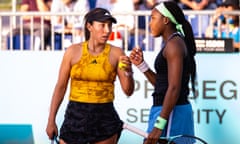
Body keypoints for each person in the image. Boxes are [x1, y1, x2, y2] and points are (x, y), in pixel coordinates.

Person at [46, 8, 134, 144]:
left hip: (104, 116)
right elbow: (60, 87)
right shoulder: (73, 51)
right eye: (102, 25)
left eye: (110, 25)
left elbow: (128, 91)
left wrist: (128, 71)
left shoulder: (117, 53)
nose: (107, 30)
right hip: (75, 115)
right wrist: (51, 120)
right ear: (89, 26)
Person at [130, 1, 197, 144]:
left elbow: (174, 88)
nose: (149, 23)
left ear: (165, 20)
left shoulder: (174, 45)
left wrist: (159, 125)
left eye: (153, 18)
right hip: (168, 112)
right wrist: (142, 66)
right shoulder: (172, 43)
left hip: (173, 114)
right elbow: (163, 85)